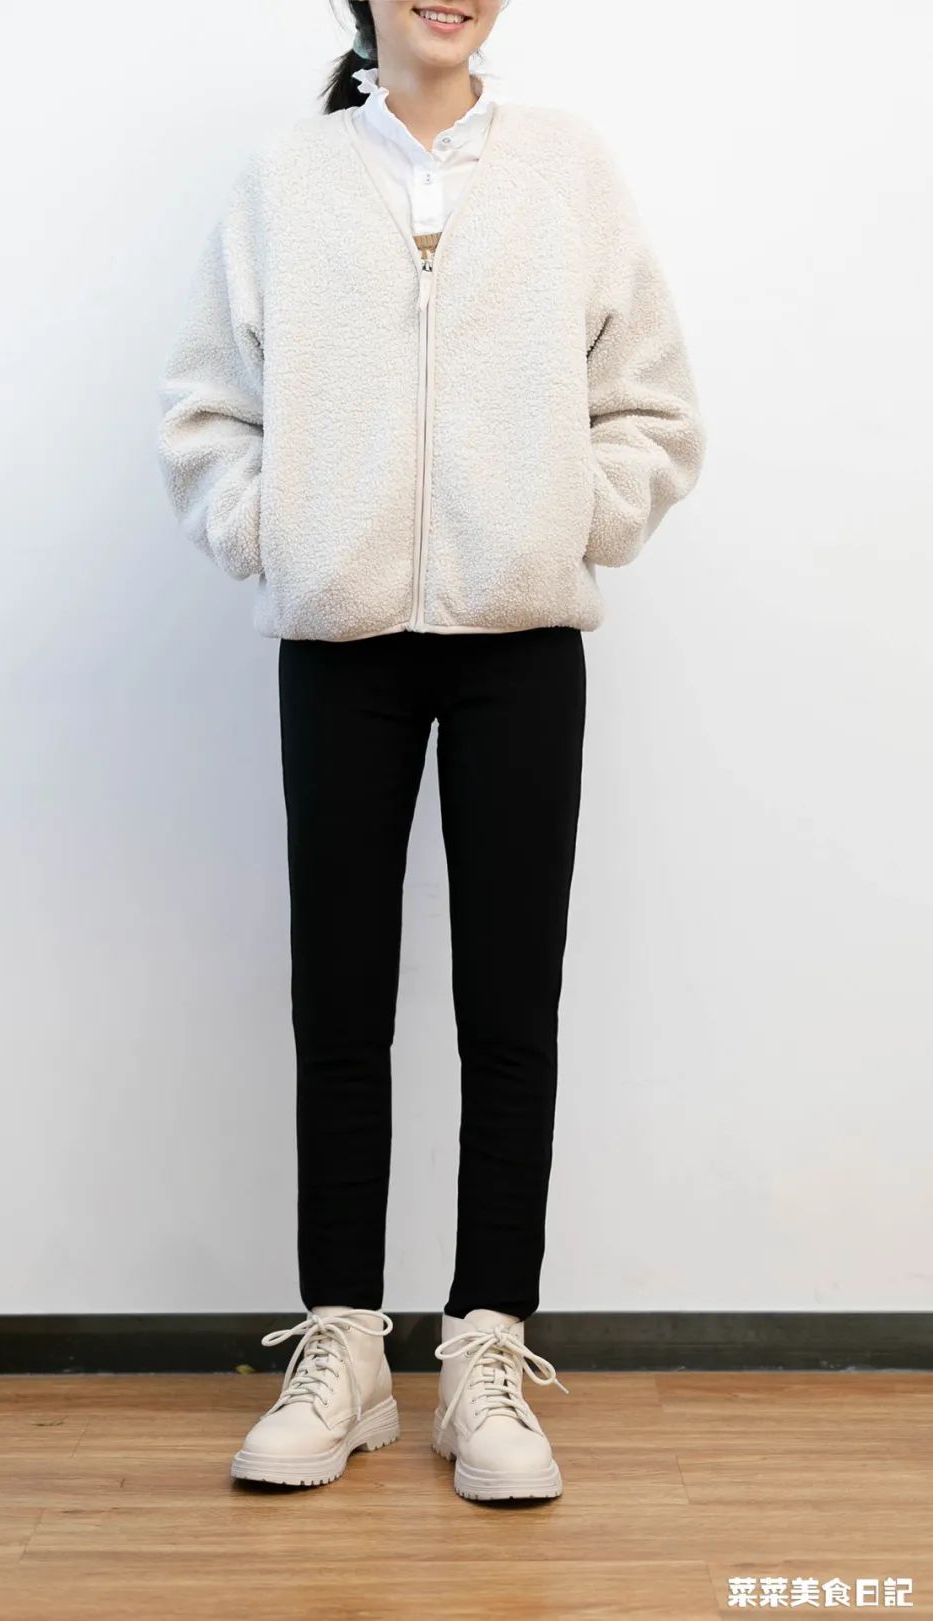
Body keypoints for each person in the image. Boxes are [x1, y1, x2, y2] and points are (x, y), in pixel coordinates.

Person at [156, 0, 705, 1503]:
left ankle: (484, 1353)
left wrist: (567, 521)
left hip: (520, 643)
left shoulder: (567, 168)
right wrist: (280, 536)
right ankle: (343, 1348)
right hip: (340, 644)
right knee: (339, 1002)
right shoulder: (286, 180)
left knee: (508, 1003)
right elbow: (205, 407)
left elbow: (652, 401)